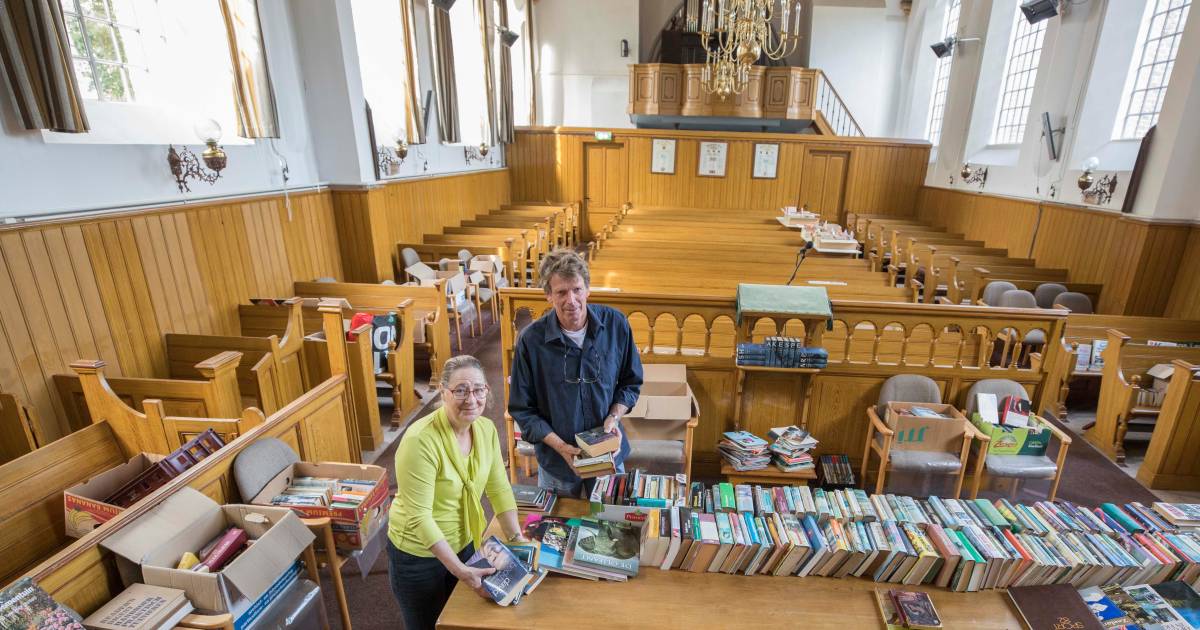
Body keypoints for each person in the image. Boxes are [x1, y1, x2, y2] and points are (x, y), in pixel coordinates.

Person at [387, 355, 527, 630]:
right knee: (426, 624)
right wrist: (460, 571)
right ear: (443, 392)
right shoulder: (420, 440)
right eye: (460, 390)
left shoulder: (486, 429)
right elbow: (420, 518)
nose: (471, 398)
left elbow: (498, 487)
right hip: (419, 557)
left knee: (463, 622)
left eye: (478, 389)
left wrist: (516, 537)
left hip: (465, 543)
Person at [509, 248, 643, 498]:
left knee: (614, 528)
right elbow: (522, 410)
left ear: (588, 289)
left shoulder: (616, 325)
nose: (571, 300)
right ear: (548, 295)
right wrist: (561, 447)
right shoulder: (530, 341)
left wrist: (613, 418)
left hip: (608, 456)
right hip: (557, 464)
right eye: (561, 292)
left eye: (577, 290)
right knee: (555, 530)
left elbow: (631, 383)